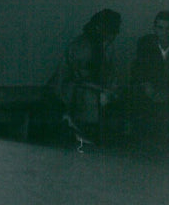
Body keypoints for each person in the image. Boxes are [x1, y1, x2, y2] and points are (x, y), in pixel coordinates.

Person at [48, 8, 122, 144]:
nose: (113, 36)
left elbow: (111, 73)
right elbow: (78, 79)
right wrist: (105, 90)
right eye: (111, 32)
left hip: (92, 87)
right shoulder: (82, 47)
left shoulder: (105, 46)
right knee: (94, 97)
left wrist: (112, 89)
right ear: (99, 29)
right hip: (69, 88)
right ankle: (75, 126)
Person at [130, 10, 169, 143]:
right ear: (154, 29)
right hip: (151, 90)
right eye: (160, 28)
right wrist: (147, 87)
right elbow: (138, 68)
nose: (164, 32)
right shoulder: (145, 42)